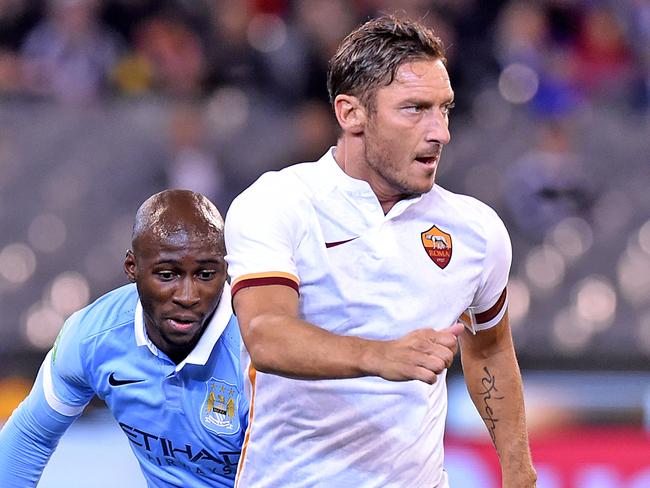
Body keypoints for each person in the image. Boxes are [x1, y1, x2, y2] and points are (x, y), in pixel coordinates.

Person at [225, 15, 536, 488]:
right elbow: (266, 336)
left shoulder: (476, 230)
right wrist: (381, 356)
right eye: (414, 109)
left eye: (444, 109)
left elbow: (490, 348)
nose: (440, 132)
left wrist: (519, 473)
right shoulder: (279, 202)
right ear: (351, 113)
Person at [0, 189, 247, 487]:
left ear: (227, 270)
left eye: (206, 275)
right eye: (167, 274)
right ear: (132, 268)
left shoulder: (257, 352)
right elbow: (30, 436)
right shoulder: (92, 337)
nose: (187, 296)